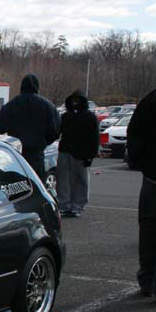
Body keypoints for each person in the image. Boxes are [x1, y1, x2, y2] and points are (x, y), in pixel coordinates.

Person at [127, 85, 156, 303]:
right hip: (153, 175)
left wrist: (139, 162)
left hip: (152, 177)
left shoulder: (152, 99)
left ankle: (147, 281)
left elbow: (134, 131)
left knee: (149, 231)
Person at [0, 74, 61, 178]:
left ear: (22, 87)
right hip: (36, 155)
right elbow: (55, 131)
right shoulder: (48, 107)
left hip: (16, 155)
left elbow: (0, 128)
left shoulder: (11, 105)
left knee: (17, 185)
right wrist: (45, 141)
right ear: (37, 87)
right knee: (35, 184)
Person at [57, 90, 99, 218]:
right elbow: (57, 132)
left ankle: (77, 205)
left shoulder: (90, 117)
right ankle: (64, 205)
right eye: (73, 100)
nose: (75, 103)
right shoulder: (66, 116)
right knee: (63, 180)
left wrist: (90, 156)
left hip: (82, 153)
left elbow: (94, 138)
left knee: (81, 180)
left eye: (78, 100)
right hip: (65, 151)